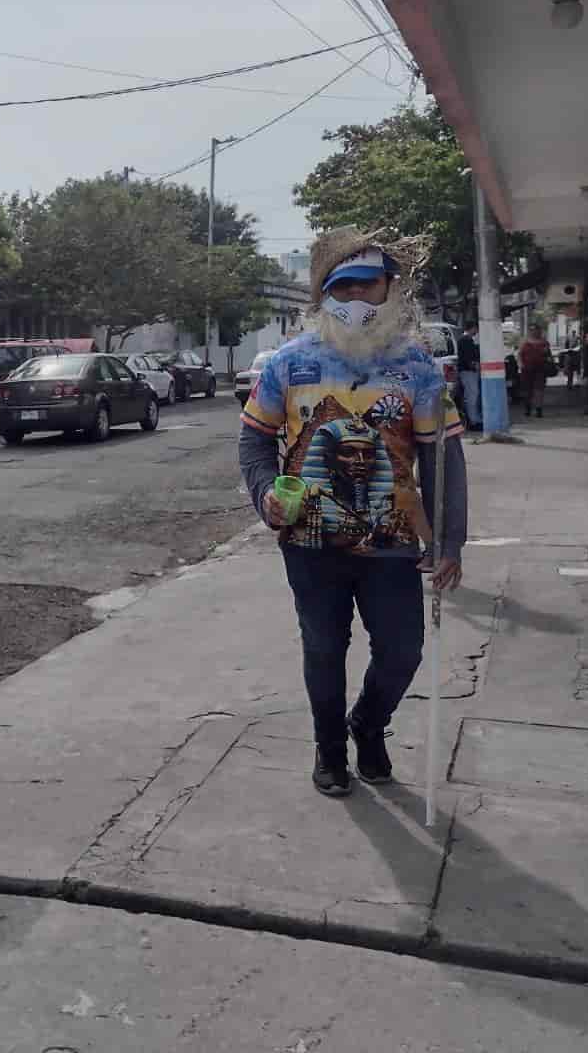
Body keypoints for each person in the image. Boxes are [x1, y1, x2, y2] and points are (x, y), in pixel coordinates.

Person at [239, 229, 467, 797]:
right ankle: (330, 749)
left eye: (370, 285)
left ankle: (368, 723)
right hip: (309, 543)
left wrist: (449, 542)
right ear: (324, 295)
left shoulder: (418, 367)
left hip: (392, 542)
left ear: (392, 289)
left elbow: (443, 460)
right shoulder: (288, 365)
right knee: (323, 647)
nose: (359, 299)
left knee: (402, 650)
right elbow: (254, 442)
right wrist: (266, 492)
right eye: (345, 287)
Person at [517, 323, 551, 419]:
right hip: (526, 369)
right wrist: (521, 364)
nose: (533, 332)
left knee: (539, 389)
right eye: (531, 330)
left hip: (540, 369)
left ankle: (538, 410)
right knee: (527, 390)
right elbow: (519, 354)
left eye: (535, 329)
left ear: (539, 331)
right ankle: (527, 408)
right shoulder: (524, 342)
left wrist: (546, 353)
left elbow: (548, 355)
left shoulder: (544, 342)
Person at [457, 319, 481, 432]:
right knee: (472, 396)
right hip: (468, 372)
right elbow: (468, 358)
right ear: (473, 328)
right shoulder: (466, 340)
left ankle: (473, 419)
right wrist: (474, 366)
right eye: (476, 328)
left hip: (467, 371)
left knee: (471, 396)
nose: (477, 330)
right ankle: (473, 421)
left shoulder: (466, 339)